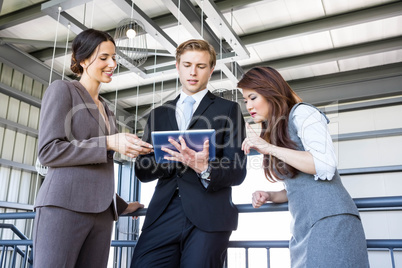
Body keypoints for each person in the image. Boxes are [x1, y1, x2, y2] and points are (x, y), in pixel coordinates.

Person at [33, 28, 153, 268]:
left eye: (114, 57)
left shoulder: (108, 110)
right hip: (63, 207)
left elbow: (100, 164)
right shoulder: (63, 90)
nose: (113, 63)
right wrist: (109, 142)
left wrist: (121, 205)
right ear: (84, 59)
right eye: (104, 57)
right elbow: (49, 150)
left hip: (103, 215)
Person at [131, 39, 247, 268]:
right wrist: (176, 159)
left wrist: (204, 167)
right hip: (162, 214)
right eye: (187, 65)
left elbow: (238, 170)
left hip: (208, 215)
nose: (193, 72)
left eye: (201, 66)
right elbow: (142, 171)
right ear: (177, 66)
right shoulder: (158, 114)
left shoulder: (228, 110)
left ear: (211, 70)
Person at [238, 66, 369, 267]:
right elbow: (300, 185)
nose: (248, 105)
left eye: (253, 97)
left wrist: (269, 147)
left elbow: (324, 165)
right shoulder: (277, 132)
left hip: (331, 220)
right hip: (303, 227)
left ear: (270, 91)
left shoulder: (303, 113)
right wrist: (271, 196)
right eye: (245, 100)